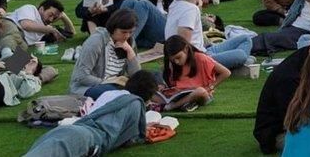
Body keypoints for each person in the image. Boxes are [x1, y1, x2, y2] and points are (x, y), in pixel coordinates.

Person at [23, 72, 159, 157]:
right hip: (85, 136)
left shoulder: (109, 93)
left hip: (71, 129)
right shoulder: (135, 103)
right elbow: (132, 136)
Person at [166, 0, 255, 70]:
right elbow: (183, 42)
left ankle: (236, 63)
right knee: (241, 55)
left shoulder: (175, 4)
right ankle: (237, 64)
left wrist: (198, 7)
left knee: (245, 39)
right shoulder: (190, 10)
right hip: (198, 59)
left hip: (205, 50)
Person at [70, 8, 142, 99]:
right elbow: (81, 76)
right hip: (89, 87)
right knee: (115, 94)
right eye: (123, 32)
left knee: (148, 82)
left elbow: (136, 76)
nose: (127, 36)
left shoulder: (129, 41)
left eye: (130, 32)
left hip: (115, 85)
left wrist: (130, 51)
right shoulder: (95, 42)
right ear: (113, 29)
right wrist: (107, 82)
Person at [154, 34, 229, 112]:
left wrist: (210, 87)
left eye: (178, 57)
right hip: (180, 93)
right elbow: (172, 83)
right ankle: (185, 104)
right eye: (173, 60)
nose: (176, 62)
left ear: (186, 49)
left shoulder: (201, 58)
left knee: (200, 91)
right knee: (151, 92)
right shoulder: (173, 64)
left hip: (200, 94)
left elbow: (226, 72)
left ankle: (172, 106)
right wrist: (163, 87)